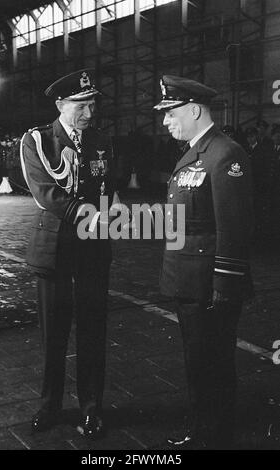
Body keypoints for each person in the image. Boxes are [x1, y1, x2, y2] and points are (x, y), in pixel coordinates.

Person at [154, 75, 254, 449]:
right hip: (189, 279)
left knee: (211, 364)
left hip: (209, 283)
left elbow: (235, 226)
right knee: (199, 362)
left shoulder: (225, 154)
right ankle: (204, 430)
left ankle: (212, 435)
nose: (165, 121)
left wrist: (224, 286)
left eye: (170, 113)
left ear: (194, 110)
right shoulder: (197, 151)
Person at [20, 68, 116, 438]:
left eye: (93, 104)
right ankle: (50, 406)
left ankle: (92, 407)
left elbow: (110, 187)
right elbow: (45, 191)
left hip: (93, 249)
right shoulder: (39, 140)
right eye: (82, 105)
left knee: (93, 330)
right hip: (55, 248)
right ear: (61, 104)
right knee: (53, 334)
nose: (90, 113)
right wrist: (92, 216)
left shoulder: (103, 140)